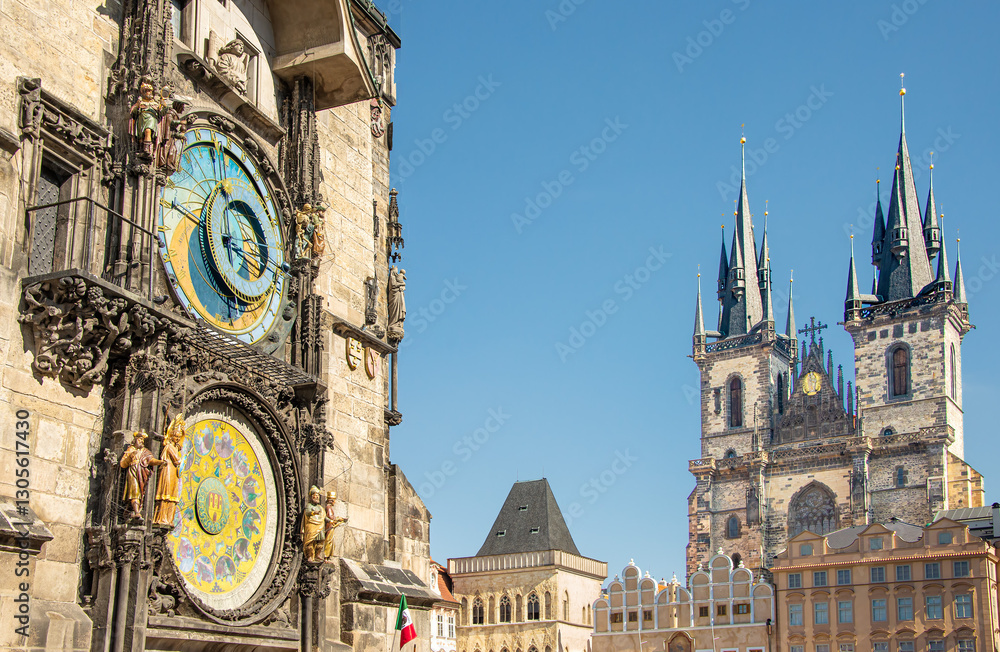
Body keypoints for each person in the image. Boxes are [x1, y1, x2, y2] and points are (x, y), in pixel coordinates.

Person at [120, 430, 163, 520]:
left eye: (142, 440)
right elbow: (123, 464)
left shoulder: (145, 451)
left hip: (142, 475)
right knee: (135, 492)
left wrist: (160, 462)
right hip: (132, 473)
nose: (141, 441)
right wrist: (131, 456)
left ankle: (133, 510)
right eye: (139, 439)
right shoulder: (130, 450)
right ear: (135, 440)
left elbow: (151, 460)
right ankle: (136, 512)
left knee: (140, 493)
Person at [153, 414, 186, 526]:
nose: (177, 438)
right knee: (165, 494)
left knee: (172, 496)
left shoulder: (175, 447)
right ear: (171, 436)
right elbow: (177, 460)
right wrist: (183, 461)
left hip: (173, 473)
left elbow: (181, 442)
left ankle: (168, 518)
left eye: (178, 437)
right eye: (176, 436)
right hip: (167, 471)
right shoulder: (169, 447)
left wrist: (183, 432)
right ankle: (161, 518)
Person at [129, 82, 163, 159]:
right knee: (141, 136)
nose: (148, 92)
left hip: (151, 119)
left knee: (148, 131)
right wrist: (137, 105)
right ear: (143, 92)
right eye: (146, 91)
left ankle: (147, 149)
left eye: (149, 91)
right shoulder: (140, 102)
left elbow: (162, 112)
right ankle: (141, 149)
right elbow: (132, 112)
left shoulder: (155, 103)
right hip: (141, 119)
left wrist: (163, 105)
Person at [301, 486, 326, 562]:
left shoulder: (320, 507)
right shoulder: (309, 505)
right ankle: (309, 556)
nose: (317, 498)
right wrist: (313, 512)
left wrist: (331, 521)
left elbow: (324, 516)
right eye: (315, 497)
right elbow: (307, 512)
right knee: (310, 542)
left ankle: (317, 555)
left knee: (321, 540)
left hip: (319, 526)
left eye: (318, 497)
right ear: (312, 497)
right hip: (311, 525)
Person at [322, 491, 347, 560]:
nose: (335, 502)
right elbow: (331, 517)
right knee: (329, 542)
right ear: (331, 501)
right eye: (334, 500)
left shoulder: (329, 507)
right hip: (329, 527)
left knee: (330, 542)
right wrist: (339, 518)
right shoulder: (328, 507)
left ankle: (326, 557)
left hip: (330, 526)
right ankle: (325, 557)